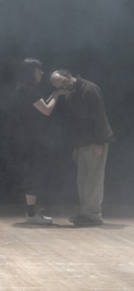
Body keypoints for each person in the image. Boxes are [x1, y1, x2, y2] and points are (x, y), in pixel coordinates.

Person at [50, 69, 113, 227]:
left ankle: (93, 215)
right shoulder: (71, 93)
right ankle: (86, 213)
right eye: (59, 87)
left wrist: (99, 142)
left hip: (94, 141)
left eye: (63, 83)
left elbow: (99, 116)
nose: (63, 88)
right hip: (82, 143)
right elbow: (74, 123)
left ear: (68, 76)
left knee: (93, 180)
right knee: (82, 180)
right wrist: (76, 146)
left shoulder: (89, 89)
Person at [14, 58, 69, 225]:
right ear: (31, 72)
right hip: (30, 138)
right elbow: (46, 109)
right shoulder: (28, 90)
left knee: (34, 171)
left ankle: (32, 212)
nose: (42, 73)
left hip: (28, 136)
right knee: (33, 171)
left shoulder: (25, 89)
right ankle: (31, 214)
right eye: (39, 70)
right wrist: (57, 94)